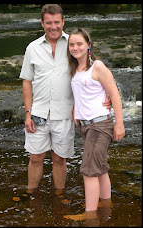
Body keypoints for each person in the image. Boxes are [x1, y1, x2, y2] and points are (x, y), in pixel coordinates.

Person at [15, 5, 111, 201]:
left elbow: (93, 69)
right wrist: (27, 113)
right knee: (35, 157)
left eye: (57, 22)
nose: (53, 26)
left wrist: (108, 92)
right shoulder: (32, 48)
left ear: (63, 22)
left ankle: (59, 194)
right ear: (42, 23)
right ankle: (31, 192)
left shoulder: (73, 45)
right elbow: (26, 81)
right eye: (48, 22)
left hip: (65, 113)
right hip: (38, 113)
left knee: (59, 158)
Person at [64, 28, 125, 220]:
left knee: (89, 170)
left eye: (79, 44)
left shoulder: (97, 66)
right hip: (85, 126)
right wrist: (75, 110)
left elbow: (114, 94)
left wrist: (119, 124)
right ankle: (106, 204)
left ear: (88, 45)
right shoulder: (75, 68)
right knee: (100, 168)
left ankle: (89, 214)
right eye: (72, 44)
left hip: (100, 125)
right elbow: (82, 94)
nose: (75, 48)